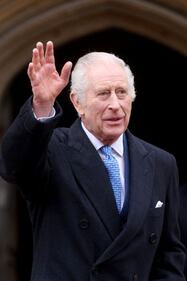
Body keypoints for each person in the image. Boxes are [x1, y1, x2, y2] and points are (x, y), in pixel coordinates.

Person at [0, 41, 186, 281]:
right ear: (77, 103)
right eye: (103, 94)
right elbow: (13, 166)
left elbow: (169, 252)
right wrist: (42, 105)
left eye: (122, 92)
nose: (115, 105)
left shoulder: (161, 163)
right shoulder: (52, 149)